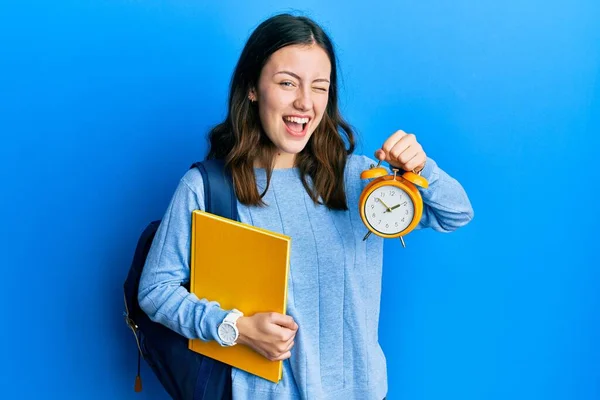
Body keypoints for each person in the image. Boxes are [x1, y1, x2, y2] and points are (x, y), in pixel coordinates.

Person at [138, 13, 474, 400]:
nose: (305, 103)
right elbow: (155, 290)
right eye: (286, 83)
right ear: (252, 88)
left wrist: (420, 167)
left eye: (319, 87)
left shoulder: (360, 182)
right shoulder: (207, 189)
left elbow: (456, 214)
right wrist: (236, 327)